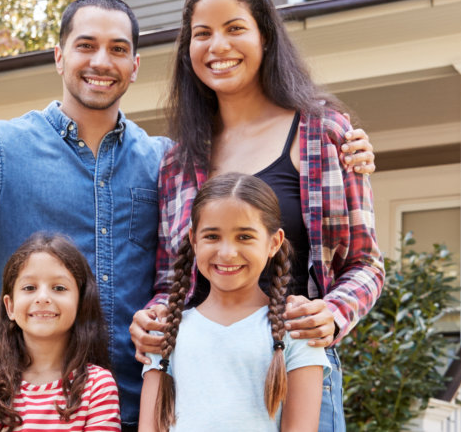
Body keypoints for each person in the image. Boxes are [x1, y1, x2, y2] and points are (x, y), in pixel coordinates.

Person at [0, 0, 375, 426]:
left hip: (149, 402)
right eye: (85, 45)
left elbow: (195, 266)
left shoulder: (166, 159)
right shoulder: (2, 146)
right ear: (59, 56)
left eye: (118, 49)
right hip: (36, 407)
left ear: (135, 66)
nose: (102, 60)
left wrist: (347, 152)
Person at [131, 0, 383, 432]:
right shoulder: (178, 163)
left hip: (293, 372)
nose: (217, 47)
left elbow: (366, 263)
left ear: (265, 36)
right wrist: (151, 318)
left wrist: (332, 312)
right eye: (201, 34)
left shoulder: (324, 135)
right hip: (198, 384)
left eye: (234, 29)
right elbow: (172, 280)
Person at [140, 173, 326, 432]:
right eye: (212, 237)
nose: (227, 253)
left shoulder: (296, 330)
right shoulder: (167, 330)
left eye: (244, 237)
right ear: (194, 240)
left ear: (274, 242)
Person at [0, 233, 120, 432]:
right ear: (10, 307)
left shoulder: (97, 387)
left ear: (81, 303)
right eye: (29, 287)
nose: (42, 297)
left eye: (59, 288)